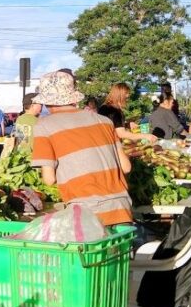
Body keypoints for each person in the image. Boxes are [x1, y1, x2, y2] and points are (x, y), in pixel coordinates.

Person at [31, 70, 133, 227]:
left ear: (46, 101)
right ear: (72, 97)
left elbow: (49, 179)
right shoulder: (104, 121)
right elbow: (126, 167)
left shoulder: (45, 126)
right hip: (121, 208)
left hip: (87, 215)